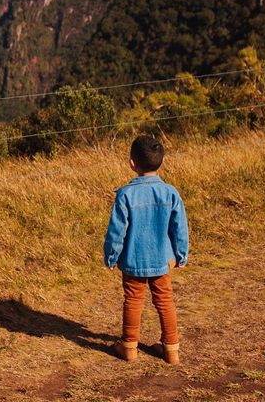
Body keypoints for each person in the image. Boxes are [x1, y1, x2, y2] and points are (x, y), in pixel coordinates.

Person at [103, 134, 189, 364]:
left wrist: (111, 257)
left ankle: (129, 347)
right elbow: (179, 228)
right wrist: (181, 255)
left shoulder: (125, 195)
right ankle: (171, 350)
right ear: (162, 162)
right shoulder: (171, 193)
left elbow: (116, 231)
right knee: (164, 300)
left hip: (132, 260)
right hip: (162, 260)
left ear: (132, 163)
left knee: (132, 300)